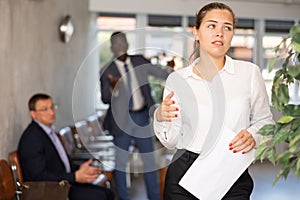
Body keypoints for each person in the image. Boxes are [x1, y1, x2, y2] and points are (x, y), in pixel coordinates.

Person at [153, 2, 274, 200]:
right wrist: (160, 116)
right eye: (211, 26)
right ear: (196, 32)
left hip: (231, 171)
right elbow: (171, 142)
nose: (220, 33)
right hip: (185, 171)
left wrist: (253, 135)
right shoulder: (178, 80)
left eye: (227, 27)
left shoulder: (249, 73)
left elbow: (265, 122)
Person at [100, 31, 173, 200]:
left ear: (127, 44)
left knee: (149, 163)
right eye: (116, 43)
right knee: (121, 164)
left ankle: (154, 198)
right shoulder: (106, 70)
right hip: (121, 121)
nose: (120, 46)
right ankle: (124, 198)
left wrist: (169, 67)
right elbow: (105, 99)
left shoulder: (139, 61)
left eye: (122, 42)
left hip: (141, 118)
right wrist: (113, 89)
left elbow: (161, 74)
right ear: (111, 47)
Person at [18, 93, 115, 200]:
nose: (51, 112)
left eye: (52, 107)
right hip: (49, 190)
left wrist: (80, 169)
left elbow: (61, 164)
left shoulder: (49, 132)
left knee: (108, 193)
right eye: (44, 109)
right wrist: (75, 176)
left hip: (64, 182)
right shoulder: (32, 138)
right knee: (100, 196)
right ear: (33, 114)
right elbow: (39, 177)